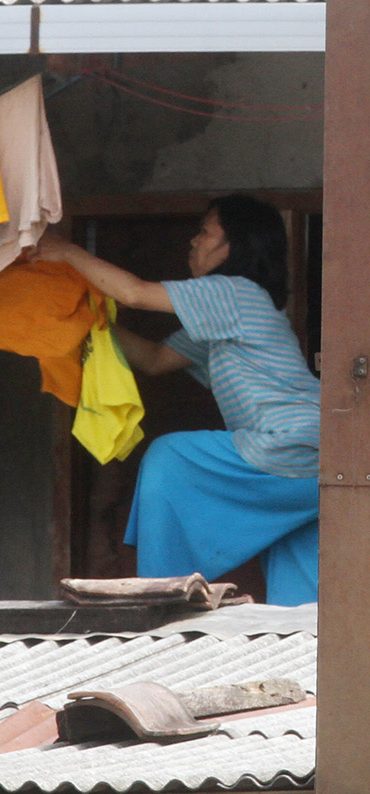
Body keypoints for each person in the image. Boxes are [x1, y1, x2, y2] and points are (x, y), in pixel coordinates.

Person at [35, 194, 320, 606]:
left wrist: (65, 251)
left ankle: (161, 593)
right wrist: (90, 321)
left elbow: (133, 293)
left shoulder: (233, 292)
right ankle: (305, 644)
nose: (193, 241)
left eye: (205, 231)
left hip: (288, 442)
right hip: (322, 459)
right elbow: (153, 359)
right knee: (294, 557)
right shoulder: (223, 316)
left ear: (235, 246)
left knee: (171, 457)